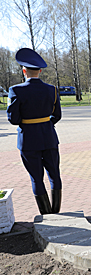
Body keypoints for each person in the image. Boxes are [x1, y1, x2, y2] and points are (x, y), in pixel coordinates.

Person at [7, 48, 62, 215]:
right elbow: (57, 116)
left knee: (36, 178)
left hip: (28, 140)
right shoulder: (52, 89)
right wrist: (44, 123)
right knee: (54, 174)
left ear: (24, 71)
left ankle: (46, 214)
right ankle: (56, 211)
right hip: (49, 137)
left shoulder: (16, 90)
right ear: (39, 71)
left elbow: (14, 119)